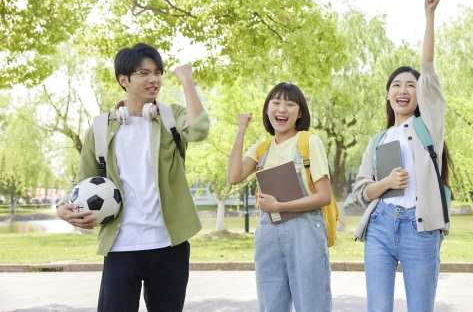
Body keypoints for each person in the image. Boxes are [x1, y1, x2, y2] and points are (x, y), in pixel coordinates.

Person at [57, 43, 210, 312]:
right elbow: (83, 180)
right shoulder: (101, 128)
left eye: (158, 72)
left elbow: (199, 130)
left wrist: (187, 80)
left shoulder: (170, 117)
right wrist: (61, 208)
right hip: (121, 246)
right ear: (124, 80)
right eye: (144, 72)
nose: (154, 79)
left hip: (169, 245)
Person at [352, 0, 452, 312]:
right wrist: (386, 183)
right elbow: (360, 192)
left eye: (411, 85)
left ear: (420, 94)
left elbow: (428, 68)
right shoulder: (378, 140)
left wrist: (429, 17)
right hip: (379, 227)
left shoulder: (429, 127)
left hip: (419, 229)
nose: (403, 90)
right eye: (396, 85)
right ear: (387, 95)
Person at [227, 83, 332, 311]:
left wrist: (280, 205)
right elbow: (234, 176)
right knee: (271, 305)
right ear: (267, 110)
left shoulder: (308, 142)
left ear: (300, 112)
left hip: (305, 232)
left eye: (289, 104)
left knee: (312, 305)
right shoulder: (260, 149)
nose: (281, 109)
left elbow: (324, 196)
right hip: (268, 233)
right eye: (276, 103)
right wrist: (241, 130)